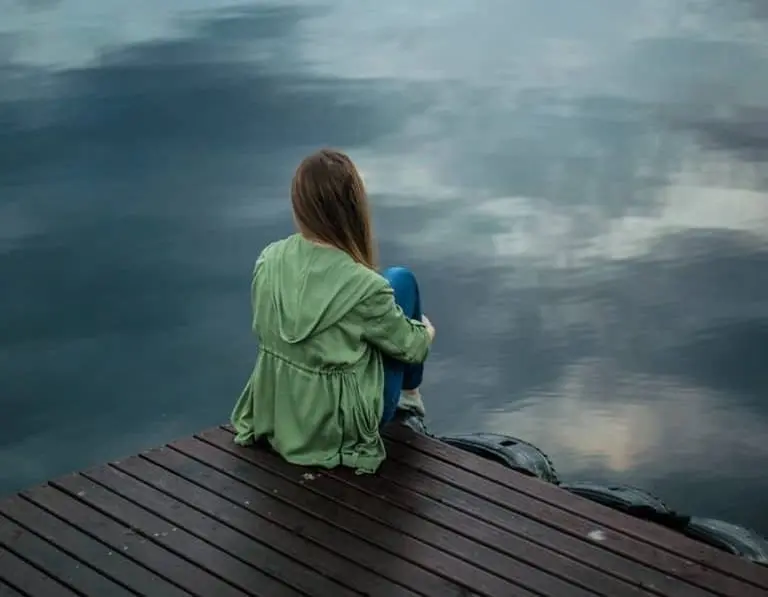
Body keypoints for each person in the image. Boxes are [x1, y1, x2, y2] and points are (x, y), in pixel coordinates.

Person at [230, 148, 436, 474]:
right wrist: (425, 331)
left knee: (388, 290)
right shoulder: (366, 287)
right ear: (353, 208)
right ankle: (409, 399)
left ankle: (407, 395)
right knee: (401, 280)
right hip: (335, 430)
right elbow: (413, 349)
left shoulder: (268, 259)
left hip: (281, 414)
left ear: (299, 206)